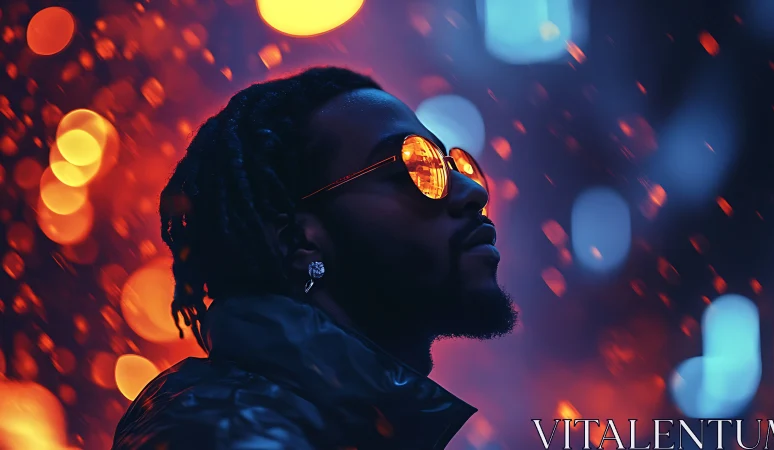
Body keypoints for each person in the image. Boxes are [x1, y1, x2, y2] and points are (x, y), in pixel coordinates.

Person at [112, 66, 517, 450]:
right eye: (416, 166)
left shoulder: (306, 422)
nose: (472, 191)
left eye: (452, 165)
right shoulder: (216, 433)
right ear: (300, 240)